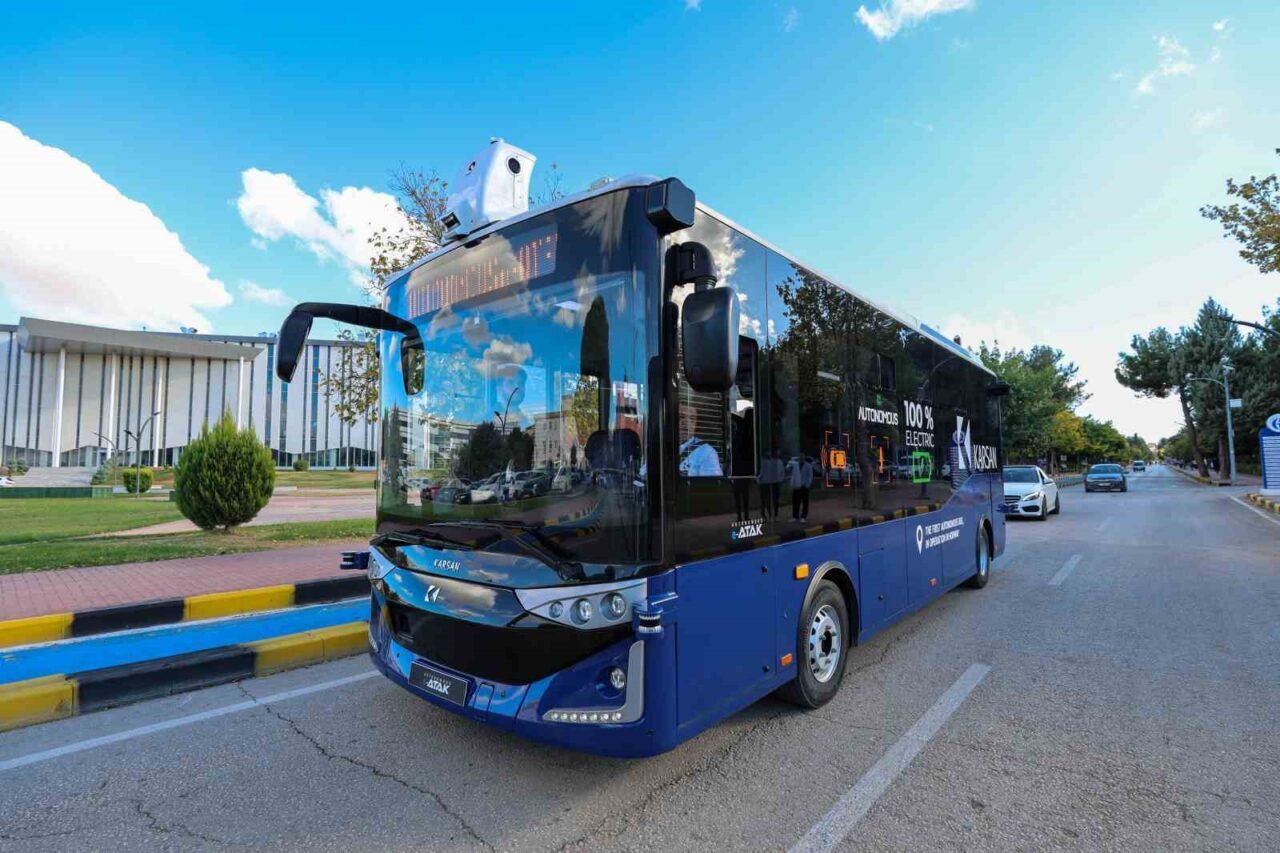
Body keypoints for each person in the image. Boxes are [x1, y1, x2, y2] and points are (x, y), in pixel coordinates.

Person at [678, 403, 723, 477]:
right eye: (681, 417)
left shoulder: (706, 452)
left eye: (692, 419)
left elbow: (712, 483)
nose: (686, 423)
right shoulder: (660, 446)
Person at [758, 448, 785, 521]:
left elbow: (782, 472)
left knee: (774, 500)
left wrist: (780, 480)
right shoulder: (762, 461)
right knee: (764, 500)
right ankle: (765, 515)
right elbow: (760, 472)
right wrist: (759, 480)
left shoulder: (777, 461)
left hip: (773, 483)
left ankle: (774, 515)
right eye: (767, 452)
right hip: (764, 483)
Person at [790, 453, 814, 523]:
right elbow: (793, 475)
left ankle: (803, 516)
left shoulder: (808, 465)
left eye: (802, 456)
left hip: (804, 486)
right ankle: (795, 516)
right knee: (795, 502)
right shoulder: (796, 465)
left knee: (805, 502)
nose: (801, 457)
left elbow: (810, 476)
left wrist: (807, 485)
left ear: (804, 457)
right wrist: (792, 484)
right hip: (797, 486)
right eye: (800, 456)